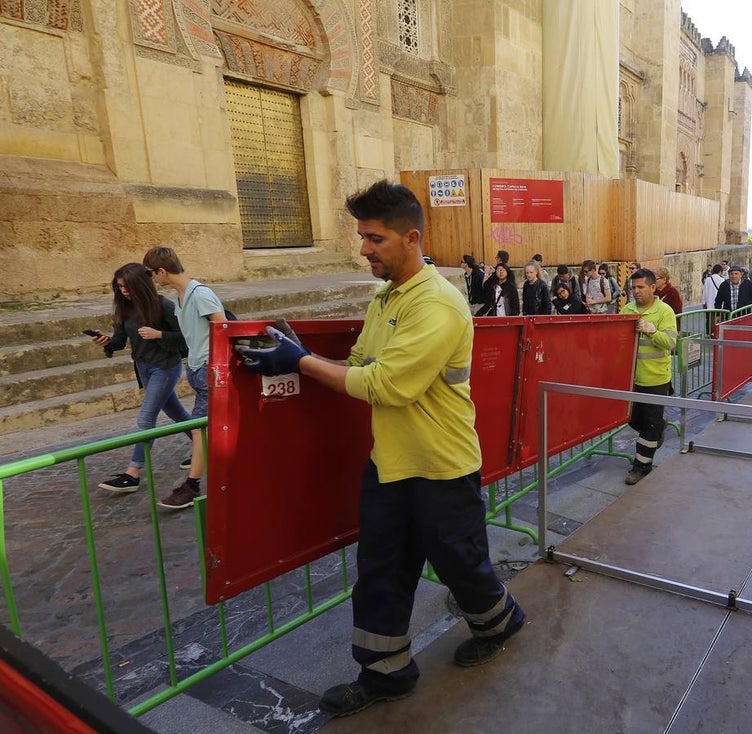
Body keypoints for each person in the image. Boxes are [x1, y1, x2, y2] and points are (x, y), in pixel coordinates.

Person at [236, 179, 526, 717]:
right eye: (362, 238)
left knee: (460, 563)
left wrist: (298, 361)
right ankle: (385, 673)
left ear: (411, 238)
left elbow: (388, 386)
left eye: (374, 239)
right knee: (381, 570)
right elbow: (360, 364)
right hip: (390, 464)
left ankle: (501, 621)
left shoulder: (437, 303)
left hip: (442, 464)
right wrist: (298, 351)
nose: (364, 249)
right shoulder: (386, 297)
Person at [92, 263, 192, 493]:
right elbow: (118, 341)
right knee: (177, 413)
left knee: (146, 419)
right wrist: (106, 342)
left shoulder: (162, 305)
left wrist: (159, 335)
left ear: (141, 283)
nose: (124, 291)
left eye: (127, 287)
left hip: (165, 367)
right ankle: (203, 443)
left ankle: (132, 473)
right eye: (120, 288)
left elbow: (186, 336)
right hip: (143, 367)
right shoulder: (123, 309)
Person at [142, 246, 226, 510]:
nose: (151, 278)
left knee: (199, 427)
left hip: (210, 370)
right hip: (198, 368)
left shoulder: (200, 294)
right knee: (202, 427)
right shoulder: (181, 296)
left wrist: (214, 366)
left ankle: (192, 485)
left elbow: (224, 326)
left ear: (162, 271)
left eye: (150, 273)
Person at [620, 268, 677, 485]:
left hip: (656, 379)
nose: (636, 291)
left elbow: (671, 343)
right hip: (632, 379)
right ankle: (658, 427)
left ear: (653, 287)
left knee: (649, 427)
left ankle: (641, 467)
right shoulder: (626, 309)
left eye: (640, 287)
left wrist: (652, 331)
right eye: (633, 287)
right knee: (634, 420)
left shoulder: (665, 312)